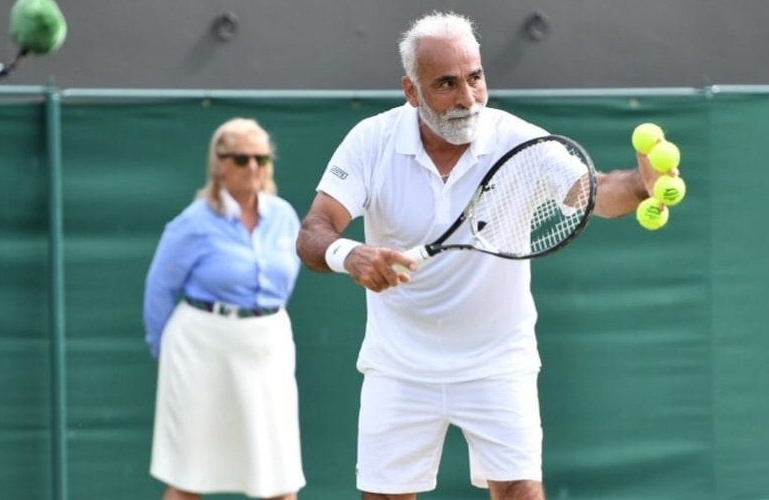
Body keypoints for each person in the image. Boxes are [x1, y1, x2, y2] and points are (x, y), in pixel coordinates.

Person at [295, 11, 676, 500]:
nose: (467, 98)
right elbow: (313, 231)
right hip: (399, 365)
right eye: (447, 84)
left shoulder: (519, 140)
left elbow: (596, 192)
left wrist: (642, 185)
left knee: (520, 493)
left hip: (498, 362)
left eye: (475, 78)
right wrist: (351, 255)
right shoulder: (372, 141)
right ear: (411, 92)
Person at [143, 117, 305, 500]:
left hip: (267, 346)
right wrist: (161, 350)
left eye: (262, 159)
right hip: (200, 349)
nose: (254, 167)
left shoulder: (283, 216)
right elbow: (160, 288)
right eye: (242, 158)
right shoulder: (193, 222)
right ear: (220, 164)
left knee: (279, 474)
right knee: (189, 475)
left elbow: (287, 279)